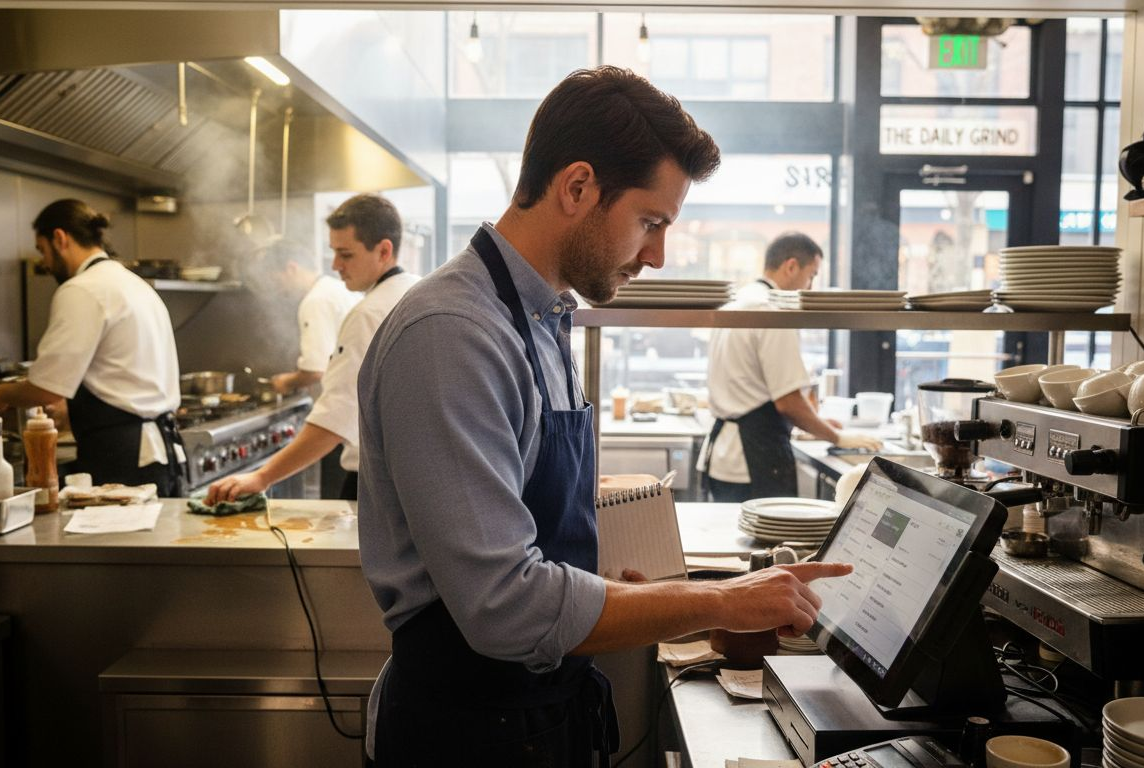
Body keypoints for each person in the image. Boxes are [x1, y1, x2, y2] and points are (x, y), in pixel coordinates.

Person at [354, 66, 853, 767]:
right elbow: (504, 605)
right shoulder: (452, 333)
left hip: (537, 714)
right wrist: (715, 604)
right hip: (467, 734)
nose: (657, 254)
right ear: (578, 186)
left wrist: (629, 591)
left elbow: (535, 538)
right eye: (650, 222)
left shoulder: (542, 318)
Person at [204, 194, 417, 503]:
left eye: (345, 254)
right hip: (407, 476)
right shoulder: (413, 291)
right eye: (333, 253)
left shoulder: (369, 312)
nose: (335, 265)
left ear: (384, 250)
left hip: (376, 482)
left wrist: (262, 476)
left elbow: (336, 414)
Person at [0, 199, 185, 495]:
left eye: (42, 250)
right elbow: (121, 377)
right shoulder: (135, 285)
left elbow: (47, 389)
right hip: (162, 452)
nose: (45, 263)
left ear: (60, 238)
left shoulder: (82, 289)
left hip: (123, 459)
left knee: (119, 542)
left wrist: (2, 392)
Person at [700, 233, 882, 503]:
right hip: (754, 460)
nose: (809, 287)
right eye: (811, 275)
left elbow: (752, 391)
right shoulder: (772, 310)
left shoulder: (738, 301)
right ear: (791, 266)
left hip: (724, 457)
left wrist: (814, 424)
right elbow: (788, 402)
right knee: (766, 545)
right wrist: (837, 436)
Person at [259, 237, 360, 395]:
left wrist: (285, 381)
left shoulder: (316, 301)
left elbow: (315, 370)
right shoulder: (337, 289)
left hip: (342, 403)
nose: (278, 290)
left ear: (291, 269)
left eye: (277, 281)